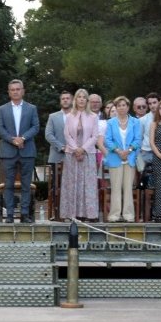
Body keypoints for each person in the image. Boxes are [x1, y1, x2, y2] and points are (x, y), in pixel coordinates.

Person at [0, 79, 40, 223]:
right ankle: (9, 214)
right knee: (8, 184)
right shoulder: (2, 109)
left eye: (18, 89)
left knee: (26, 184)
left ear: (23, 91)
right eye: (12, 90)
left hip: (27, 151)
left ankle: (25, 214)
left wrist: (23, 138)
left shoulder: (31, 108)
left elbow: (35, 127)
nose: (15, 91)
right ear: (9, 92)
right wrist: (12, 140)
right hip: (8, 151)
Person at [59, 89, 101, 222]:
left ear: (87, 100)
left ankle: (89, 214)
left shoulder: (94, 117)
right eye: (79, 97)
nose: (81, 99)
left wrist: (83, 148)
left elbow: (95, 136)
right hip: (71, 154)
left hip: (88, 154)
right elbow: (67, 135)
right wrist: (75, 149)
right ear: (75, 100)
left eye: (84, 97)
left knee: (87, 184)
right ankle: (70, 214)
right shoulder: (69, 116)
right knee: (71, 184)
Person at [103, 96, 140, 222]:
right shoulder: (110, 123)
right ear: (116, 108)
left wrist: (128, 151)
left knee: (128, 188)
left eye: (124, 105)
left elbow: (137, 140)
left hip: (130, 158)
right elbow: (107, 140)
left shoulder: (135, 122)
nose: (121, 107)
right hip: (115, 158)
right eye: (119, 105)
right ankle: (114, 215)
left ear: (128, 107)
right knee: (116, 188)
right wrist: (118, 151)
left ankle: (129, 215)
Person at [44, 91, 72, 214]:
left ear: (72, 101)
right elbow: (48, 135)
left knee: (72, 186)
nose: (65, 100)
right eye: (63, 99)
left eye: (68, 98)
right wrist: (61, 147)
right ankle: (57, 212)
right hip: (57, 156)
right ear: (60, 101)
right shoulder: (53, 116)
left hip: (74, 156)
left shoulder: (78, 116)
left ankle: (71, 211)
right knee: (56, 186)